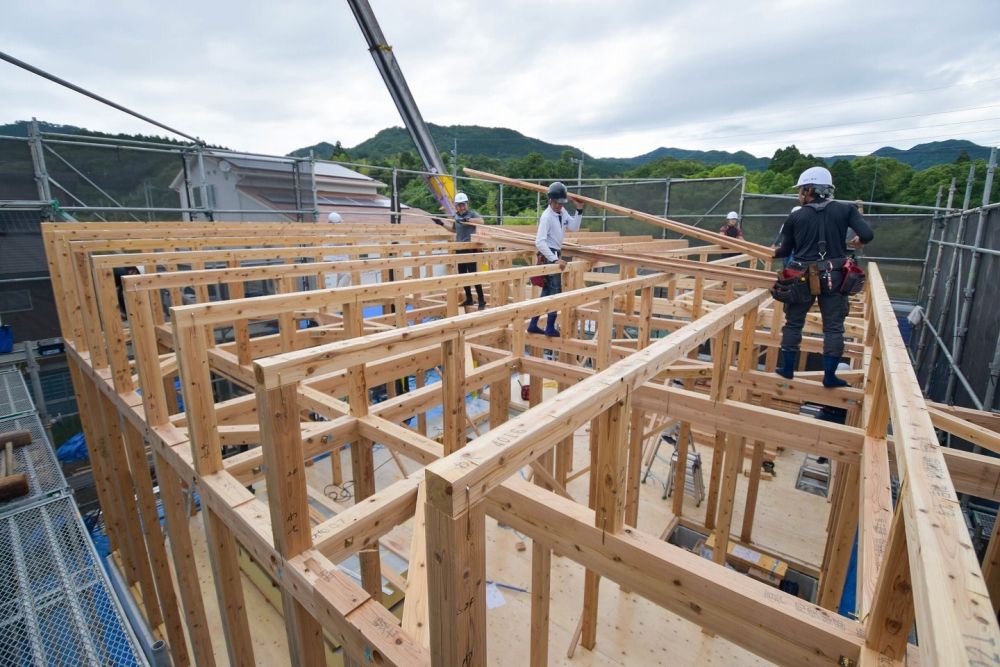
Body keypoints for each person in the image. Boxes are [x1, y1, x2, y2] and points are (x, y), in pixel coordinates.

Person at [773, 166, 874, 387]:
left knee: (793, 323)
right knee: (834, 327)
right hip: (835, 276)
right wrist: (859, 242)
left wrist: (770, 252)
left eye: (801, 190)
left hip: (801, 277)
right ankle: (829, 376)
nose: (800, 195)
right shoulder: (845, 210)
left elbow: (785, 250)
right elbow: (867, 234)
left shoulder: (796, 217)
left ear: (809, 189)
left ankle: (787, 369)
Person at [527, 181, 584, 336]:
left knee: (547, 290)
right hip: (549, 255)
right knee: (555, 291)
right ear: (550, 200)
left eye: (561, 203)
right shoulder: (546, 217)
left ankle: (533, 324)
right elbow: (539, 242)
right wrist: (553, 259)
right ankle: (550, 327)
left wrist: (579, 210)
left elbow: (574, 227)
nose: (559, 205)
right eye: (557, 203)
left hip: (555, 253)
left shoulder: (561, 212)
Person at [435, 192, 487, 309]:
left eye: (463, 205)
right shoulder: (456, 216)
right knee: (463, 275)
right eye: (459, 205)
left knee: (474, 275)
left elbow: (482, 221)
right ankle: (469, 299)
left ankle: (481, 300)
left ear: (467, 204)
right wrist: (441, 224)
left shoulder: (472, 213)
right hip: (460, 249)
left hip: (470, 249)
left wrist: (470, 219)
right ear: (456, 206)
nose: (461, 207)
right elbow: (454, 230)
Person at [323, 211, 353, 288]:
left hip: (342, 258)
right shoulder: (331, 233)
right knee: (347, 275)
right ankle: (338, 292)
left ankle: (339, 293)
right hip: (336, 259)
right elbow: (344, 241)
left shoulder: (338, 231)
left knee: (342, 277)